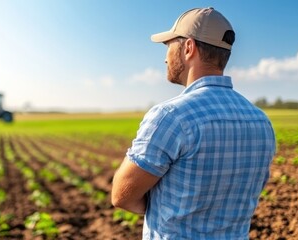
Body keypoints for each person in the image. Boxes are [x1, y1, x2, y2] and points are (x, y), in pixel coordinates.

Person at [111, 7, 276, 239]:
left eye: (169, 45)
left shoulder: (170, 117)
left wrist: (163, 206)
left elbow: (122, 196)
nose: (165, 57)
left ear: (189, 47)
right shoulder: (262, 122)